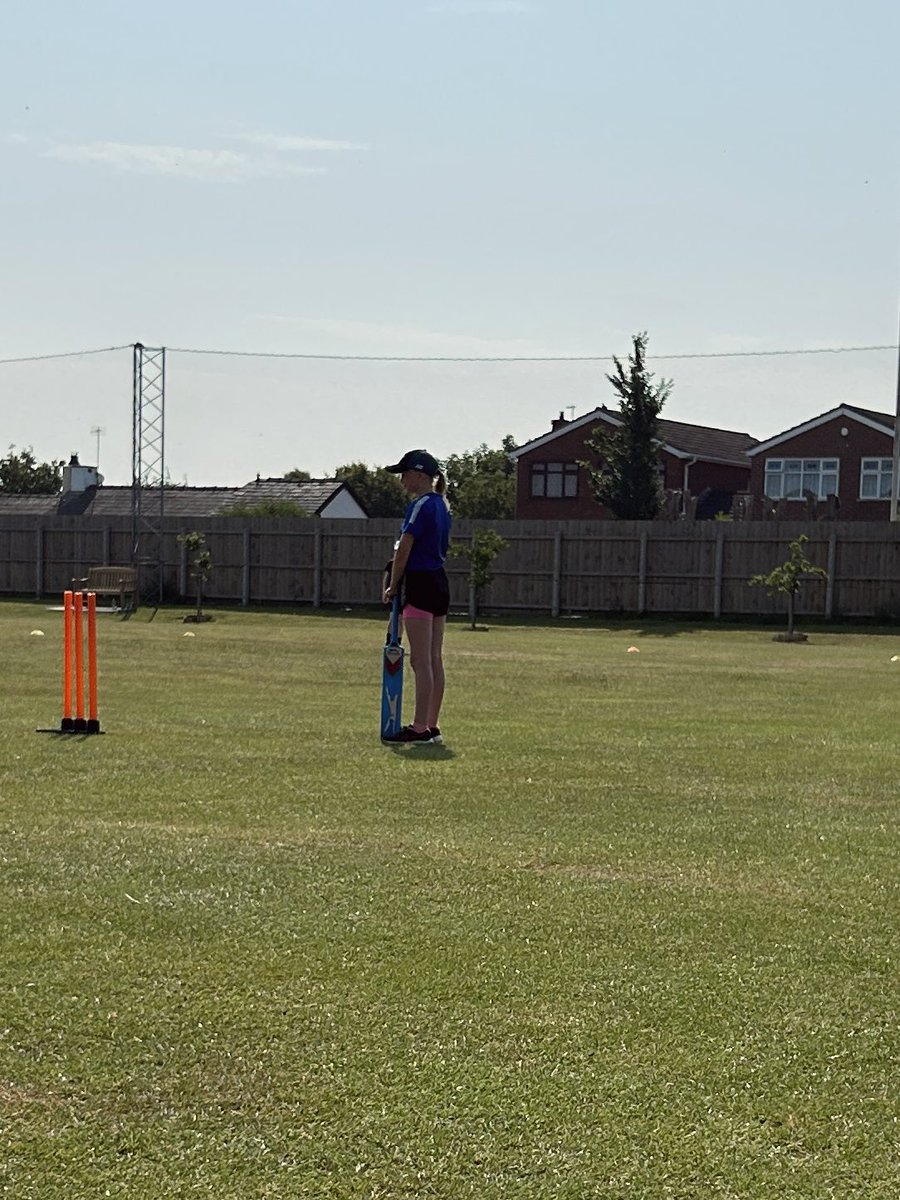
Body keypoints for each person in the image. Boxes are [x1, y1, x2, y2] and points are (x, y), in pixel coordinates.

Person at [381, 449, 451, 744]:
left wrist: (392, 585)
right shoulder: (442, 505)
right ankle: (431, 726)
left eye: (404, 474)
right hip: (439, 582)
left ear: (419, 475)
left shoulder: (420, 505)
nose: (401, 481)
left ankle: (420, 728)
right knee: (433, 659)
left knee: (419, 661)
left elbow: (404, 549)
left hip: (420, 583)